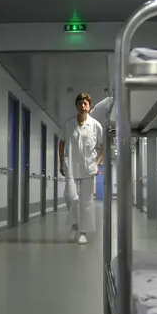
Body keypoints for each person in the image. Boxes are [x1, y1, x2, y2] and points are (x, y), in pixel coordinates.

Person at [59, 93, 104, 245]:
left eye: (86, 103)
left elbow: (103, 147)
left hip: (88, 168)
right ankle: (75, 225)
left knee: (86, 202)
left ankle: (83, 232)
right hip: (71, 165)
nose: (83, 106)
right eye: (80, 103)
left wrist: (98, 163)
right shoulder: (68, 124)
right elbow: (62, 144)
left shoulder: (96, 125)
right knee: (71, 197)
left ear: (89, 106)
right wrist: (61, 163)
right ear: (76, 106)